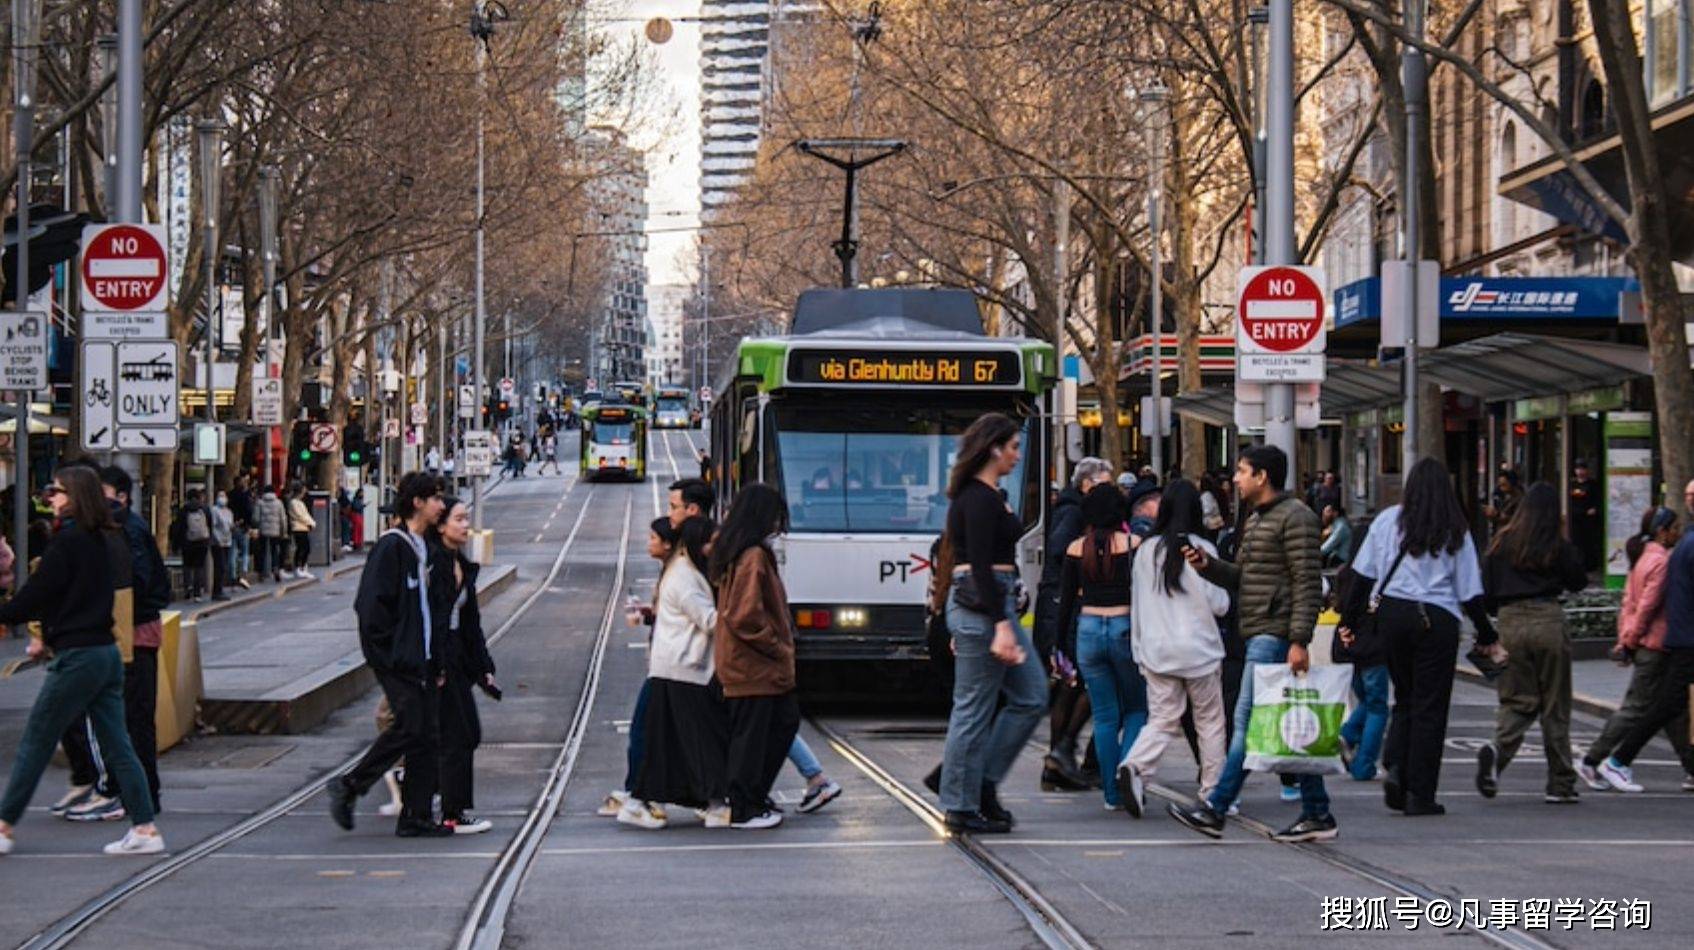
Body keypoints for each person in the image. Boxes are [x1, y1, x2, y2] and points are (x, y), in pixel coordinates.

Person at [1169, 445, 1335, 843]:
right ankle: (1317, 811)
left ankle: (1215, 808)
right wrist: (1208, 567)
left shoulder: (1296, 518)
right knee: (1285, 726)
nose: (1235, 479)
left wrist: (1299, 639)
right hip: (1260, 628)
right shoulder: (1260, 518)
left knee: (1246, 724)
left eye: (1242, 472)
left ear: (1262, 476)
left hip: (1274, 633)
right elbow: (1244, 577)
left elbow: (1307, 582)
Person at [0, 466, 167, 856]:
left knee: (37, 739)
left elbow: (39, 593)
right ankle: (144, 827)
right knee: (118, 743)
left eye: (55, 492)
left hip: (78, 657)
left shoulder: (68, 541)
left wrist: (13, 618)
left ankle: (4, 824)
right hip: (105, 651)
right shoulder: (104, 539)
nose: (50, 499)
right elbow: (77, 594)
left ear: (73, 496)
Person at [1339, 458, 1500, 813]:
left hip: (1394, 614)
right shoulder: (1455, 528)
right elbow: (1470, 591)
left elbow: (1362, 575)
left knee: (1405, 697)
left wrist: (1348, 620)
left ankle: (1395, 765)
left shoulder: (1387, 520)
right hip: (1438, 619)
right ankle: (1420, 792)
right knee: (1431, 706)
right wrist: (1486, 633)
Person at [936, 413, 1045, 835]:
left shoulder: (990, 495)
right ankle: (960, 802)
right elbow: (977, 563)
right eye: (1014, 447)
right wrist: (1000, 623)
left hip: (991, 602)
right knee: (974, 706)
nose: (1018, 455)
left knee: (1031, 695)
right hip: (984, 605)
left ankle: (979, 783)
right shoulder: (977, 498)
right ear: (993, 447)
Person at [327, 472, 450, 837]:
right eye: (436, 499)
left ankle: (416, 815)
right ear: (418, 502)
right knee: (411, 725)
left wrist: (435, 659)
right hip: (400, 660)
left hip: (422, 659)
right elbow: (370, 608)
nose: (441, 505)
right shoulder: (392, 547)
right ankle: (350, 784)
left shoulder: (424, 546)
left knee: (426, 734)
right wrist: (389, 655)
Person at [1119, 479, 1230, 816]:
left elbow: (1136, 604)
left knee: (1163, 719)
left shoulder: (1145, 552)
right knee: (1209, 722)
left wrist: (1139, 649)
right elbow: (1220, 604)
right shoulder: (1202, 550)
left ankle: (1136, 766)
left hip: (1157, 650)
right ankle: (1212, 791)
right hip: (1200, 651)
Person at [1478, 481, 1589, 804]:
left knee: (1517, 699)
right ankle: (1560, 782)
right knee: (1555, 703)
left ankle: (1497, 752)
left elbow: (1485, 594)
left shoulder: (1502, 543)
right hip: (1548, 618)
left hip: (1511, 622)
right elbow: (1578, 581)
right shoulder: (1556, 544)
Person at [622, 516, 730, 829]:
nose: (714, 549)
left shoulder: (684, 570)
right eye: (710, 542)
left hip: (679, 667)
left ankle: (697, 800)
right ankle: (646, 800)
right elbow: (708, 620)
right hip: (684, 667)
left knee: (674, 740)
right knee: (700, 739)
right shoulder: (685, 575)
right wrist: (741, 611)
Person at [1579, 506, 1694, 792]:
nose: (1678, 533)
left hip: (1651, 642)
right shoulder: (1660, 562)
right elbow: (1646, 606)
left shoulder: (1644, 558)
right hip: (1655, 643)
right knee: (1643, 707)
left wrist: (1626, 638)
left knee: (1671, 708)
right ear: (1661, 530)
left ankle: (1690, 766)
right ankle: (1599, 760)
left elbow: (1628, 603)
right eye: (1674, 528)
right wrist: (1629, 641)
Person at [709, 483, 801, 829]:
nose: (778, 524)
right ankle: (745, 806)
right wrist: (777, 644)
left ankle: (754, 796)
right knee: (756, 734)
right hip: (754, 664)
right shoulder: (752, 556)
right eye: (775, 516)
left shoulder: (741, 551)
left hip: (751, 664)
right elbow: (745, 615)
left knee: (780, 723)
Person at [1056, 484, 1147, 811]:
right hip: (1125, 629)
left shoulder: (1076, 549)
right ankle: (1129, 768)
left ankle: (1110, 794)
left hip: (1089, 631)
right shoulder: (1135, 545)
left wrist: (1058, 648)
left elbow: (1065, 603)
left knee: (1105, 716)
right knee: (1137, 708)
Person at [599, 517, 684, 823]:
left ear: (667, 544)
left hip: (673, 665)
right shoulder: (671, 572)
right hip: (668, 664)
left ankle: (640, 794)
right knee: (651, 730)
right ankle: (640, 790)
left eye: (652, 538)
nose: (647, 543)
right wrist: (648, 615)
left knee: (643, 730)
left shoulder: (678, 574)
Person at [1033, 458, 1111, 792]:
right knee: (1079, 682)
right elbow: (1058, 551)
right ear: (1086, 484)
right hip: (1062, 605)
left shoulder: (1074, 508)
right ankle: (1060, 754)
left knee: (1073, 682)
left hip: (1062, 604)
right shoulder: (1073, 512)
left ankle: (1059, 758)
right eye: (1103, 483)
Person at [429, 496, 497, 834]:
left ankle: (438, 798)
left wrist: (484, 666)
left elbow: (471, 623)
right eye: (458, 519)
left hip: (456, 657)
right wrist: (436, 664)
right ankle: (451, 812)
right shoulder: (432, 563)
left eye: (466, 518)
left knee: (464, 732)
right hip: (438, 659)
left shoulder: (461, 564)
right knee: (457, 734)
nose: (465, 524)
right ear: (441, 526)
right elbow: (432, 620)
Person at [1568, 459, 1602, 572]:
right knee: (1576, 543)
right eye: (1578, 469)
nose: (1580, 471)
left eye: (1582, 469)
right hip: (1574, 518)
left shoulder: (1592, 484)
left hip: (1588, 519)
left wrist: (1594, 509)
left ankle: (1589, 565)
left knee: (1588, 543)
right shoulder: (1572, 484)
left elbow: (1597, 499)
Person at [179, 488, 212, 601]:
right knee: (199, 567)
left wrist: (177, 543)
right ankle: (197, 592)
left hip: (187, 542)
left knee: (187, 566)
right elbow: (210, 524)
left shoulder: (184, 509)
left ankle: (187, 589)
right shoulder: (205, 508)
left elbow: (179, 527)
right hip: (202, 542)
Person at [256, 484, 287, 581]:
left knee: (262, 551)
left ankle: (261, 573)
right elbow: (283, 519)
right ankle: (275, 569)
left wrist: (258, 526)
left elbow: (256, 518)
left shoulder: (259, 503)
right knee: (275, 551)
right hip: (275, 531)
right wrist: (283, 531)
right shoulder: (279, 503)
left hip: (263, 531)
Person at [229, 475, 254, 588]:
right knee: (244, 552)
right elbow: (249, 511)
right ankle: (244, 574)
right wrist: (248, 525)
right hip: (243, 526)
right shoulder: (245, 496)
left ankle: (233, 576)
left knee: (233, 552)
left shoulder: (230, 495)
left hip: (232, 527)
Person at [287, 483, 316, 579]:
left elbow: (306, 514)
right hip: (298, 527)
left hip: (304, 527)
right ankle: (298, 567)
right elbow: (300, 515)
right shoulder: (293, 503)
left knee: (306, 548)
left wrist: (311, 522)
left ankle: (303, 566)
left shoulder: (300, 503)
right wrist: (310, 522)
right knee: (301, 548)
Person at [209, 491, 234, 601]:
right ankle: (217, 591)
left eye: (224, 496)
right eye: (220, 496)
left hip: (227, 541)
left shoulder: (228, 512)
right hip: (217, 543)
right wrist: (216, 539)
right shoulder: (214, 510)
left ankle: (220, 589)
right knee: (220, 566)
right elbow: (213, 526)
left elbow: (230, 525)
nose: (222, 498)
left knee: (224, 567)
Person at [1484, 469, 1522, 535]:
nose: (1501, 488)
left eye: (1504, 485)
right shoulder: (1506, 499)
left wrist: (1497, 514)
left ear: (1512, 483)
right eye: (1500, 485)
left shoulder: (1520, 500)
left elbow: (1515, 520)